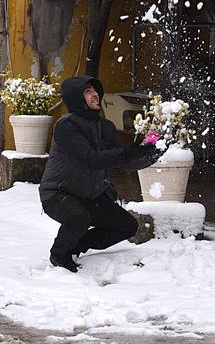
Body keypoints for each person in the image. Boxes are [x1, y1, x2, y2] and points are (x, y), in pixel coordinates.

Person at [39, 75, 161, 272]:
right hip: (57, 194)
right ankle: (59, 255)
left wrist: (151, 151)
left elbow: (123, 161)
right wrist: (131, 151)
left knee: (127, 226)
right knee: (79, 218)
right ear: (76, 97)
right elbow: (91, 159)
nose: (95, 94)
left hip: (89, 195)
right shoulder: (66, 126)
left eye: (95, 90)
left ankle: (77, 246)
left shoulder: (105, 127)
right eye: (87, 91)